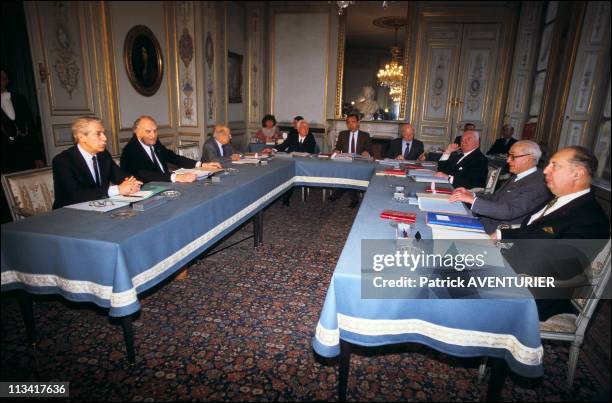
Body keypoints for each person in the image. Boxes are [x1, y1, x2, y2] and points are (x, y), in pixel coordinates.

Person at [495, 146, 610, 320]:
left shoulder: (590, 219)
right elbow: (532, 231)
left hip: (533, 294)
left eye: (554, 165)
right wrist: (498, 236)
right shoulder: (557, 199)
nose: (546, 170)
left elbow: (563, 270)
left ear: (577, 174)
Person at [449, 140, 552, 234]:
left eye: (513, 156)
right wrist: (471, 194)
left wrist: (472, 200)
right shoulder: (518, 175)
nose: (507, 161)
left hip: (497, 231)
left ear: (529, 159)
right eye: (508, 156)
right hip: (484, 221)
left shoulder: (538, 184)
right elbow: (495, 198)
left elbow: (509, 211)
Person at [52, 117, 142, 209]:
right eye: (98, 134)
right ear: (82, 137)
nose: (105, 138)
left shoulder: (103, 155)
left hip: (99, 208)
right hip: (68, 214)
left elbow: (120, 176)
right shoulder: (63, 161)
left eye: (103, 133)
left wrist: (132, 183)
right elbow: (75, 195)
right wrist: (117, 189)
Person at [120, 115, 220, 183]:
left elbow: (172, 157)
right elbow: (145, 175)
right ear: (136, 131)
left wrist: (201, 164)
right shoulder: (130, 150)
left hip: (167, 183)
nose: (153, 135)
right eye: (148, 131)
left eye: (155, 131)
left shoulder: (153, 141)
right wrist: (176, 177)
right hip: (148, 191)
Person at [1, 69, 44, 173]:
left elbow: (31, 128)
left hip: (25, 153)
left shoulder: (19, 99)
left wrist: (37, 156)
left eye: (3, 78)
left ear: (7, 81)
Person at [265, 120, 317, 206]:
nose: (306, 130)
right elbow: (284, 145)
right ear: (298, 129)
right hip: (290, 162)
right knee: (282, 173)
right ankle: (276, 195)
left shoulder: (310, 137)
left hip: (302, 164)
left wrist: (296, 153)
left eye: (307, 128)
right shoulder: (292, 136)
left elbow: (309, 151)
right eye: (304, 128)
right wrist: (273, 149)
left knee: (292, 175)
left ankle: (286, 198)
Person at [329, 113, 372, 208]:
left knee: (349, 174)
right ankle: (353, 198)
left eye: (353, 122)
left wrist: (366, 152)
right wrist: (336, 151)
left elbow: (369, 150)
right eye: (348, 123)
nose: (350, 125)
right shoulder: (343, 134)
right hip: (345, 162)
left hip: (359, 163)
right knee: (346, 172)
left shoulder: (365, 136)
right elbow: (338, 147)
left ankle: (339, 194)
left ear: (358, 123)